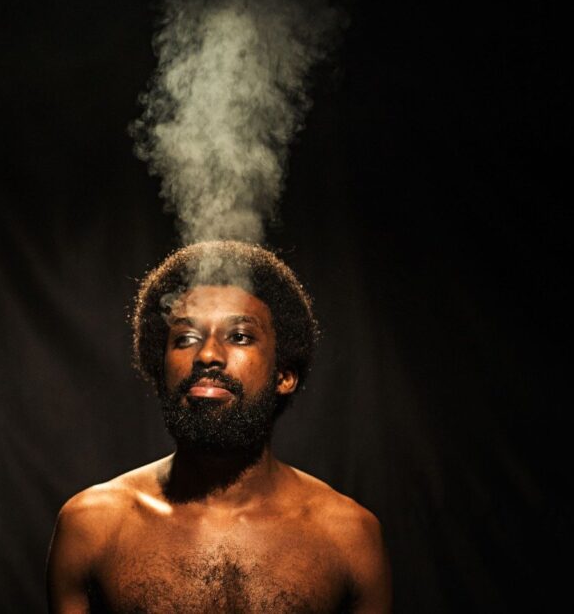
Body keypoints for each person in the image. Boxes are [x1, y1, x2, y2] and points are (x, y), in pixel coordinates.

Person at [46, 240, 391, 613]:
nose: (207, 354)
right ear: (159, 369)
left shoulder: (349, 538)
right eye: (186, 338)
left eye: (239, 336)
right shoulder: (92, 527)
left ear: (284, 375)